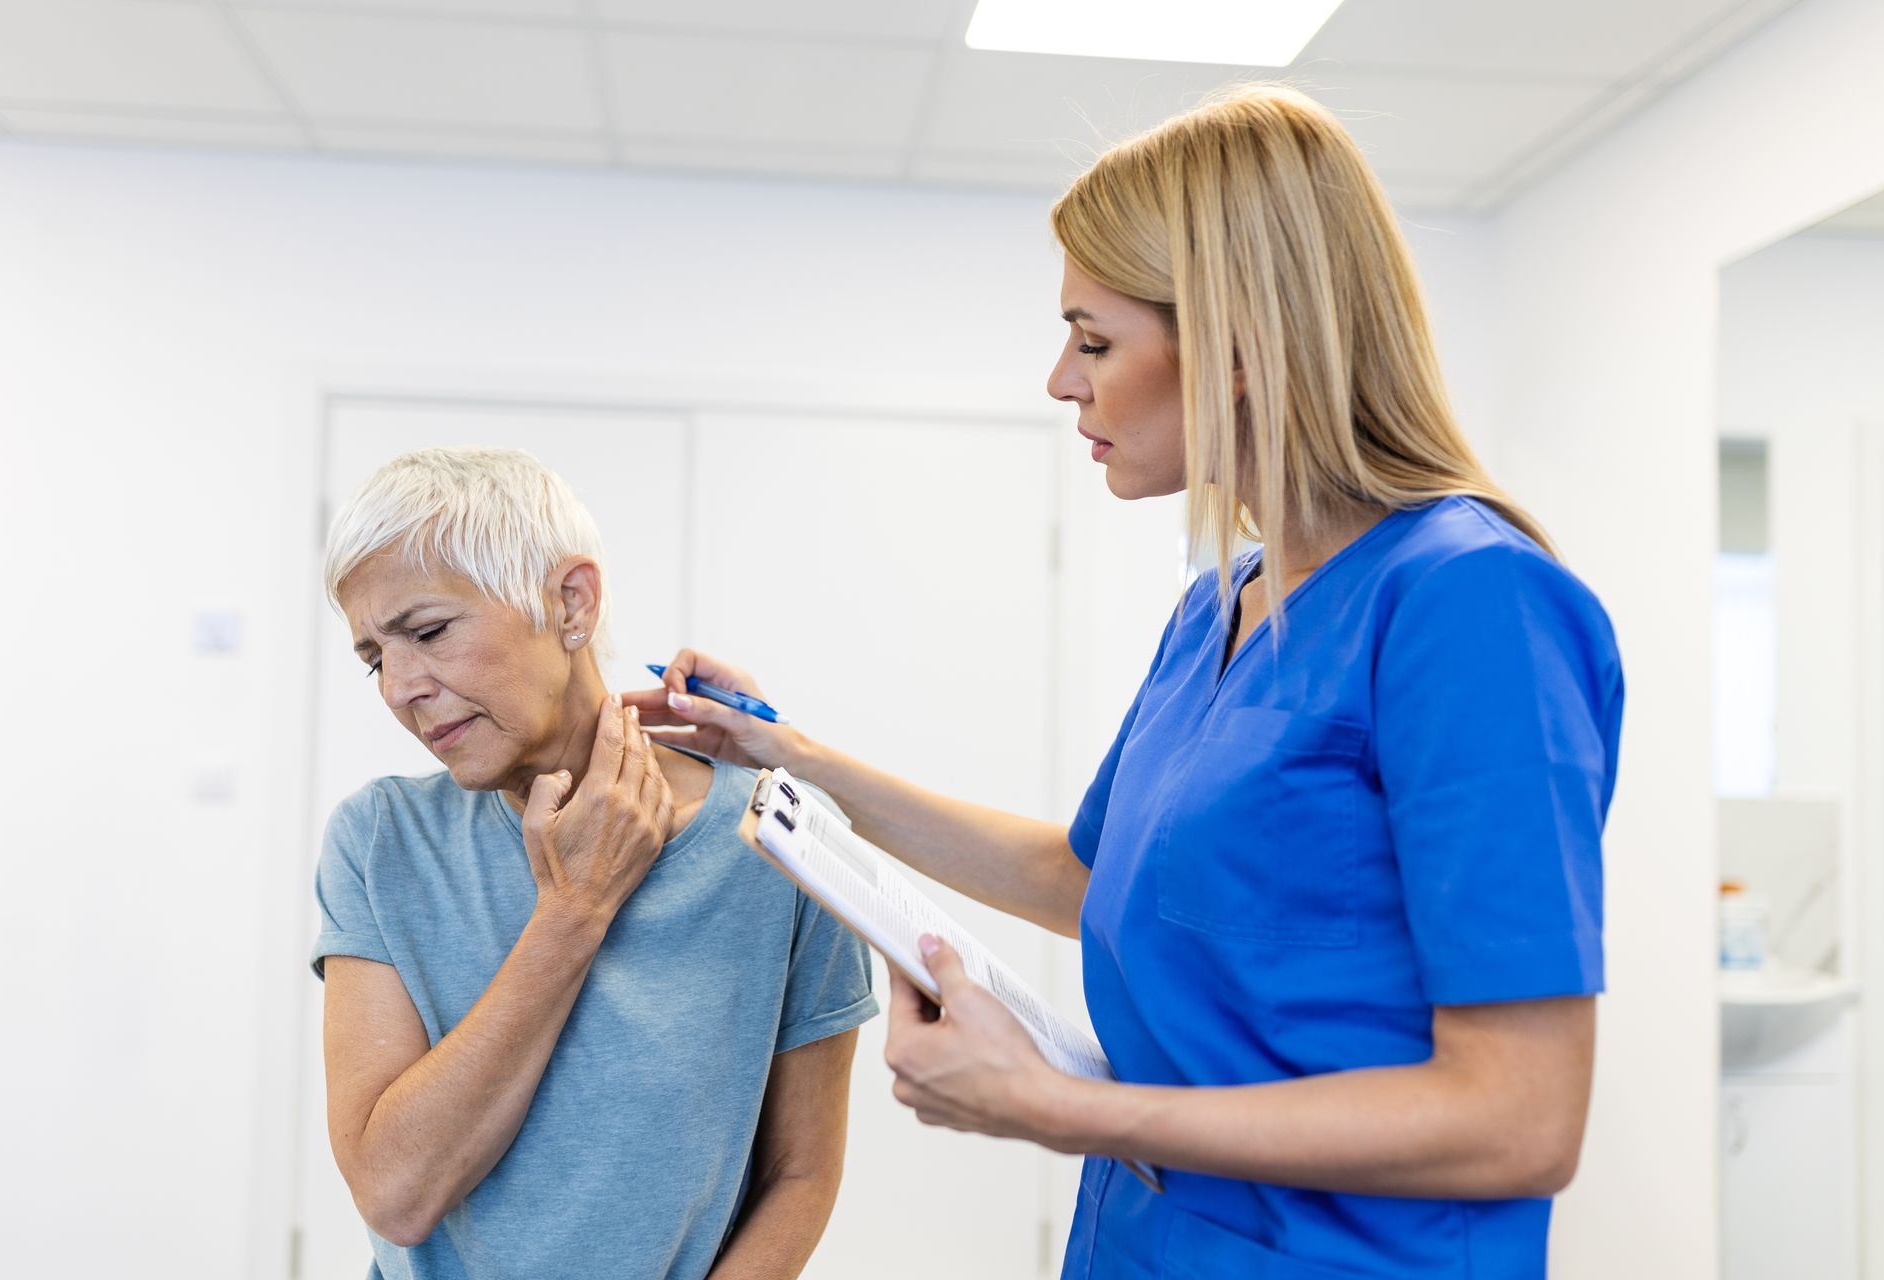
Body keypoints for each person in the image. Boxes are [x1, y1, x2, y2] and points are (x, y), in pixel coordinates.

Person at [629, 84, 1623, 1278]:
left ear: (1241, 346)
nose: (1061, 380)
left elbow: (1518, 1116)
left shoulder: (1468, 604)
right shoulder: (1226, 602)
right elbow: (1091, 875)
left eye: (1093, 340)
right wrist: (791, 758)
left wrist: (1066, 1105)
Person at [311, 446, 876, 1280]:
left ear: (570, 602)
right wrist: (572, 912)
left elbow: (800, 1174)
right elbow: (397, 1193)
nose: (399, 687)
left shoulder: (783, 842)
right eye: (373, 659)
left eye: (427, 633)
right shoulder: (380, 840)